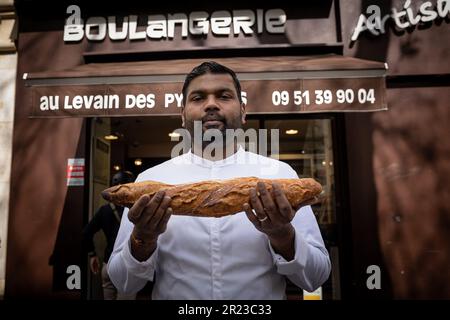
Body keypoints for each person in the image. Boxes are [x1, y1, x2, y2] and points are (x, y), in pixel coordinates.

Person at [108, 61, 331, 299]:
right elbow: (123, 283)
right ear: (182, 115)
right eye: (198, 98)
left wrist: (283, 235)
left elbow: (316, 277)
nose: (211, 104)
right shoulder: (150, 181)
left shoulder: (280, 175)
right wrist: (143, 238)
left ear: (243, 111)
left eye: (224, 96)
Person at [82, 170, 136, 300]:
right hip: (126, 267)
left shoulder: (104, 210)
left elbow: (86, 233)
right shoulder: (135, 210)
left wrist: (92, 255)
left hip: (108, 265)